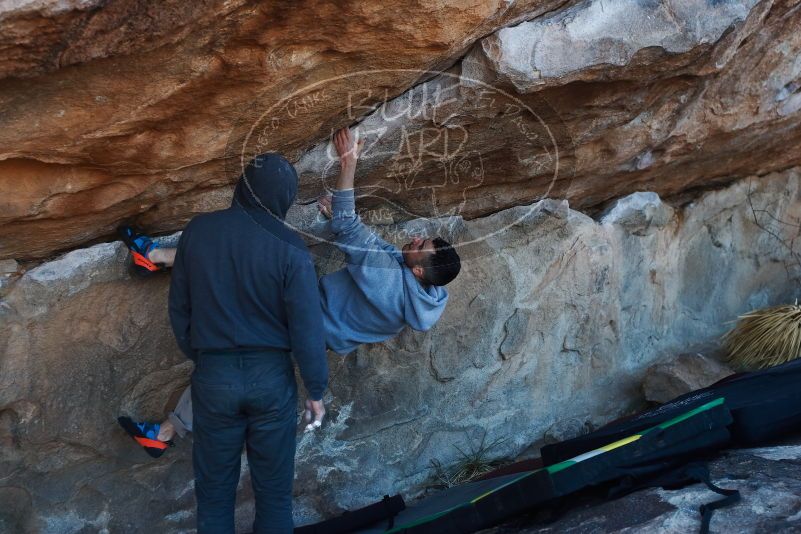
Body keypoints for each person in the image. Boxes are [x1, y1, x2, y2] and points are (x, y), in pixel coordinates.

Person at [118, 128, 461, 455]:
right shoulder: (421, 294)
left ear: (418, 270)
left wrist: (348, 164)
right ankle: (156, 258)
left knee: (230, 348)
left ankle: (164, 432)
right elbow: (363, 246)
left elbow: (351, 229)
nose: (416, 238)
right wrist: (335, 219)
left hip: (300, 320)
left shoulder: (388, 275)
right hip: (311, 319)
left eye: (421, 245)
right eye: (423, 238)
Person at [164, 150, 327, 533]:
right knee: (273, 497)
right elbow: (306, 326)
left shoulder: (199, 231)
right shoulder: (290, 246)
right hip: (270, 379)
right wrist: (316, 388)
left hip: (214, 376)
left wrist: (206, 357)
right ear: (283, 199)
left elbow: (179, 309)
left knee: (215, 497)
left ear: (242, 188)